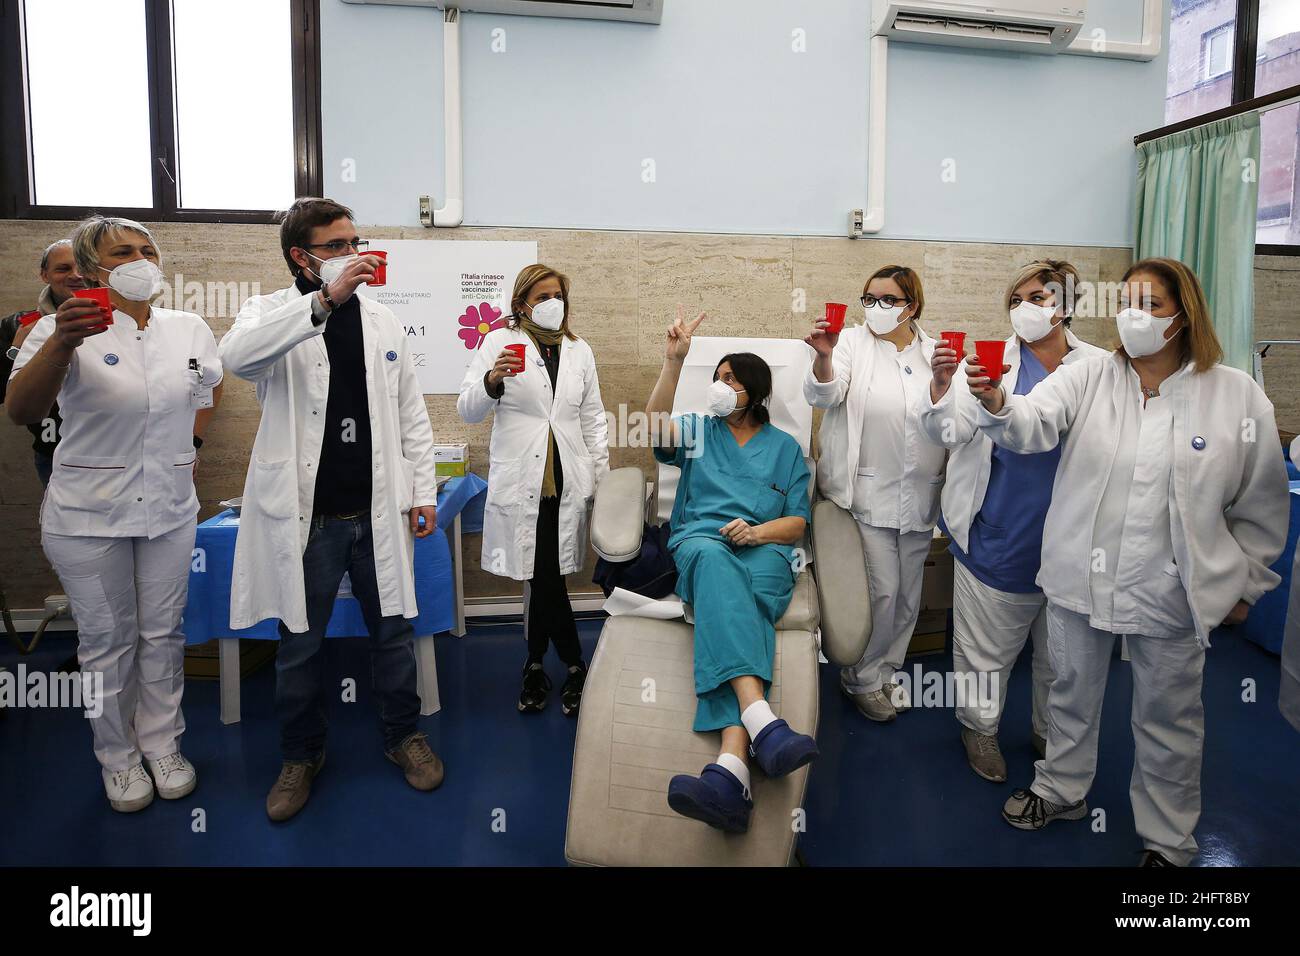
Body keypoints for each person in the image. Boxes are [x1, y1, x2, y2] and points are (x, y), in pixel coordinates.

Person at [966, 258, 1288, 866]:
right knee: (1068, 695)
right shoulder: (1090, 376)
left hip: (1171, 588)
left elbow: (1262, 501)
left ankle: (1167, 840)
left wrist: (1244, 581)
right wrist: (997, 400)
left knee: (1168, 718)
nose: (1134, 316)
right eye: (1128, 302)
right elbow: (1032, 423)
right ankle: (1060, 790)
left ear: (1184, 314)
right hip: (1078, 577)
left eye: (1152, 305)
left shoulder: (1234, 394)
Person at [219, 197, 442, 822]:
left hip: (376, 512)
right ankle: (301, 754)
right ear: (302, 256)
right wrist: (322, 302)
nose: (353, 254)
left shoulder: (384, 320)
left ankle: (403, 736)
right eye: (337, 246)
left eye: (355, 241)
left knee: (394, 632)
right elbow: (236, 359)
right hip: (306, 518)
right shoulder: (270, 312)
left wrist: (422, 491)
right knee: (299, 645)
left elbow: (410, 415)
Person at [6, 216, 223, 812]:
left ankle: (161, 744)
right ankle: (118, 759)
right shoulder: (56, 328)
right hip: (86, 515)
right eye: (121, 252)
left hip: (171, 508)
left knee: (162, 633)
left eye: (146, 249)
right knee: (107, 641)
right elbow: (22, 409)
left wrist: (192, 447)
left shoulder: (188, 328)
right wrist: (61, 343)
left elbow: (208, 390)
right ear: (90, 269)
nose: (138, 259)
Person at [920, 260, 1107, 782]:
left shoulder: (1098, 367)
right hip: (998, 533)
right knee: (985, 653)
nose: (1026, 306)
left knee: (1062, 657)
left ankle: (1052, 732)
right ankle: (979, 728)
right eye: (1018, 297)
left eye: (1041, 297)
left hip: (1074, 542)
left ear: (1067, 306)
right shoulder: (987, 360)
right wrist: (941, 385)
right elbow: (952, 433)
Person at [648, 309, 817, 834]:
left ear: (755, 391)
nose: (720, 387)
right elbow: (651, 428)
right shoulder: (699, 430)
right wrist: (673, 363)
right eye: (716, 378)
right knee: (719, 566)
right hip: (702, 542)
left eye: (731, 380)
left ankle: (731, 772)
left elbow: (796, 522)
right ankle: (763, 721)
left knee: (740, 602)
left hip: (765, 549)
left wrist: (759, 532)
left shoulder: (786, 449)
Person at [457, 264, 609, 716]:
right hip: (524, 477)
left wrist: (600, 478)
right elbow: (468, 409)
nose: (551, 303)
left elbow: (593, 417)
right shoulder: (499, 343)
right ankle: (574, 665)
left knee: (547, 574)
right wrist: (491, 381)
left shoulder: (580, 351)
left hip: (566, 476)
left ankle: (535, 665)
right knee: (544, 574)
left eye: (557, 294)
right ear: (521, 303)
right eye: (541, 296)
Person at [804, 265, 944, 722]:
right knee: (881, 594)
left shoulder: (934, 352)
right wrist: (822, 358)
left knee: (908, 596)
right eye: (869, 299)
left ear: (912, 306)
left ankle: (888, 671)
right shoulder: (850, 343)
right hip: (866, 494)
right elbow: (824, 395)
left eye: (888, 300)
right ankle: (860, 678)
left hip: (920, 495)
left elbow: (950, 416)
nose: (876, 308)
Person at [1, 239, 83, 486]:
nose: (75, 275)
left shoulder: (121, 322)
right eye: (63, 268)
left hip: (118, 450)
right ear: (44, 275)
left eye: (82, 267)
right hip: (53, 452)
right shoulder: (17, 325)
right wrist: (16, 349)